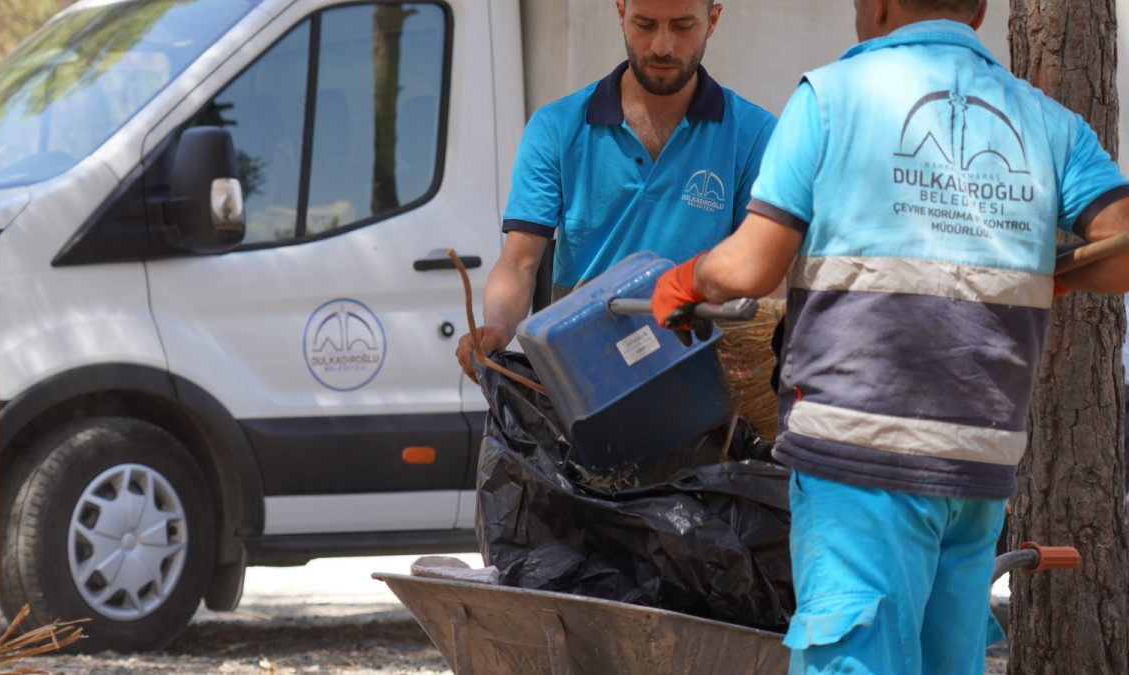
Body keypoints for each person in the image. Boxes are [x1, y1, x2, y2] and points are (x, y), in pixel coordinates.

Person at [650, 0, 1129, 673]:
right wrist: (1055, 271)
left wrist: (685, 280)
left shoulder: (831, 99)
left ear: (874, 5)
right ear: (982, 8)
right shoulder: (1048, 123)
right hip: (977, 462)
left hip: (862, 455)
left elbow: (753, 265)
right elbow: (1121, 253)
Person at [455, 0, 776, 381]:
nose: (662, 46)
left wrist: (758, 358)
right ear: (620, 13)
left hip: (702, 380)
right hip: (581, 375)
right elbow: (519, 261)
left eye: (682, 26)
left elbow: (765, 270)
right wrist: (496, 325)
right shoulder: (555, 128)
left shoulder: (754, 135)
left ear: (713, 20)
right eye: (644, 24)